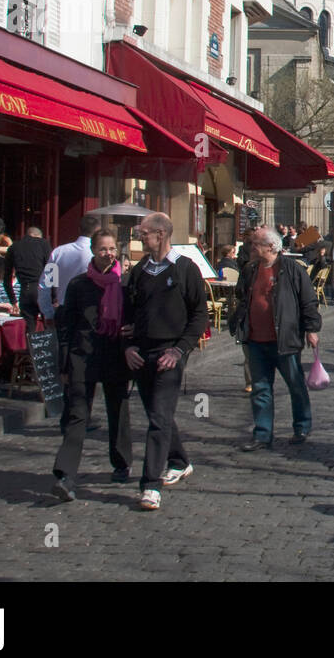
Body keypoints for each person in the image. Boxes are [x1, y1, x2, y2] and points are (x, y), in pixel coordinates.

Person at [122, 212, 208, 511]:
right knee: (159, 416)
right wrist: (128, 346)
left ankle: (150, 486)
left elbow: (200, 315)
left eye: (144, 232)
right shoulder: (139, 271)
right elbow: (127, 313)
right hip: (141, 354)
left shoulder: (185, 269)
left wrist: (180, 350)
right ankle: (180, 460)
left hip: (169, 354)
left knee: (158, 419)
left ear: (161, 234)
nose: (140, 237)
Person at [50, 229, 133, 501]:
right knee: (77, 415)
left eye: (111, 249)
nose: (107, 254)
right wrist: (63, 362)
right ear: (93, 251)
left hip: (114, 355)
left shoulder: (125, 283)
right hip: (82, 356)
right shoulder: (78, 285)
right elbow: (66, 325)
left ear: (117, 250)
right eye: (102, 249)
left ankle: (122, 463)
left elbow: (134, 321)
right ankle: (65, 474)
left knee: (117, 410)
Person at [230, 227, 321, 450]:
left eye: (256, 244)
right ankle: (262, 434)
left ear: (271, 247)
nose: (251, 247)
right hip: (255, 339)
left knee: (295, 384)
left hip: (284, 339)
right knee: (260, 388)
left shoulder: (292, 269)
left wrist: (311, 329)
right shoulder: (251, 269)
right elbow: (242, 296)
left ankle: (301, 426)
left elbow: (308, 300)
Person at [38, 215, 100, 321]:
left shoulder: (58, 252)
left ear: (79, 229)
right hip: (90, 311)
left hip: (63, 310)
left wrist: (48, 313)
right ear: (97, 231)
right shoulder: (98, 255)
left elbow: (45, 285)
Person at [7, 226, 51, 328]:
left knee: (29, 328)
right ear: (38, 236)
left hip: (25, 290)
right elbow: (51, 268)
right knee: (49, 328)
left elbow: (7, 276)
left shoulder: (14, 247)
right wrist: (54, 295)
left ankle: (29, 344)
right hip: (42, 288)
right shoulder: (43, 244)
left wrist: (13, 300)